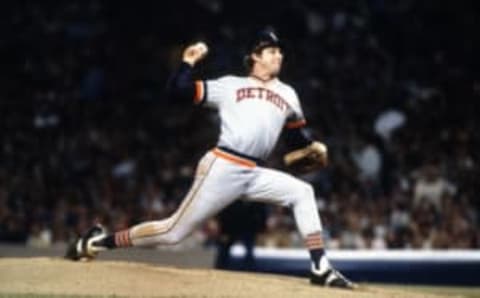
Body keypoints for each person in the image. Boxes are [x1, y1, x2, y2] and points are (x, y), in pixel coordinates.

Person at [65, 28, 355, 289]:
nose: (279, 55)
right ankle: (95, 242)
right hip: (223, 166)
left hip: (255, 173)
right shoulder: (230, 85)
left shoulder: (289, 94)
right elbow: (177, 92)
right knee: (171, 233)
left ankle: (320, 267)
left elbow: (295, 141)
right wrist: (187, 62)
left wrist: (310, 147)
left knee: (303, 192)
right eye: (271, 51)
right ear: (255, 57)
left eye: (279, 50)